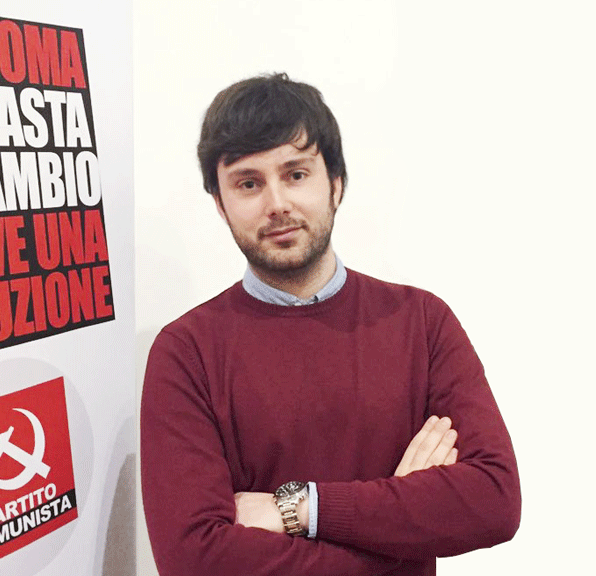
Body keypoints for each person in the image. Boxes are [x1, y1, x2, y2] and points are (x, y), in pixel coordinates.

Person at [140, 73, 520, 576]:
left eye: (296, 174)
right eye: (249, 183)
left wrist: (299, 508)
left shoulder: (423, 323)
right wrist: (400, 529)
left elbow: (494, 499)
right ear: (220, 205)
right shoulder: (185, 353)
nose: (277, 203)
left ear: (336, 183)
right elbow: (195, 559)